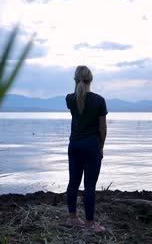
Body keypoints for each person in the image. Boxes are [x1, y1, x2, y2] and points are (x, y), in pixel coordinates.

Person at [65, 65, 107, 233]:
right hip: (91, 146)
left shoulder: (69, 99)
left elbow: (78, 103)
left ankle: (72, 218)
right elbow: (103, 129)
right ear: (91, 80)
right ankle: (90, 224)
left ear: (75, 80)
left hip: (74, 145)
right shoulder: (99, 100)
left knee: (73, 182)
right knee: (89, 185)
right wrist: (101, 148)